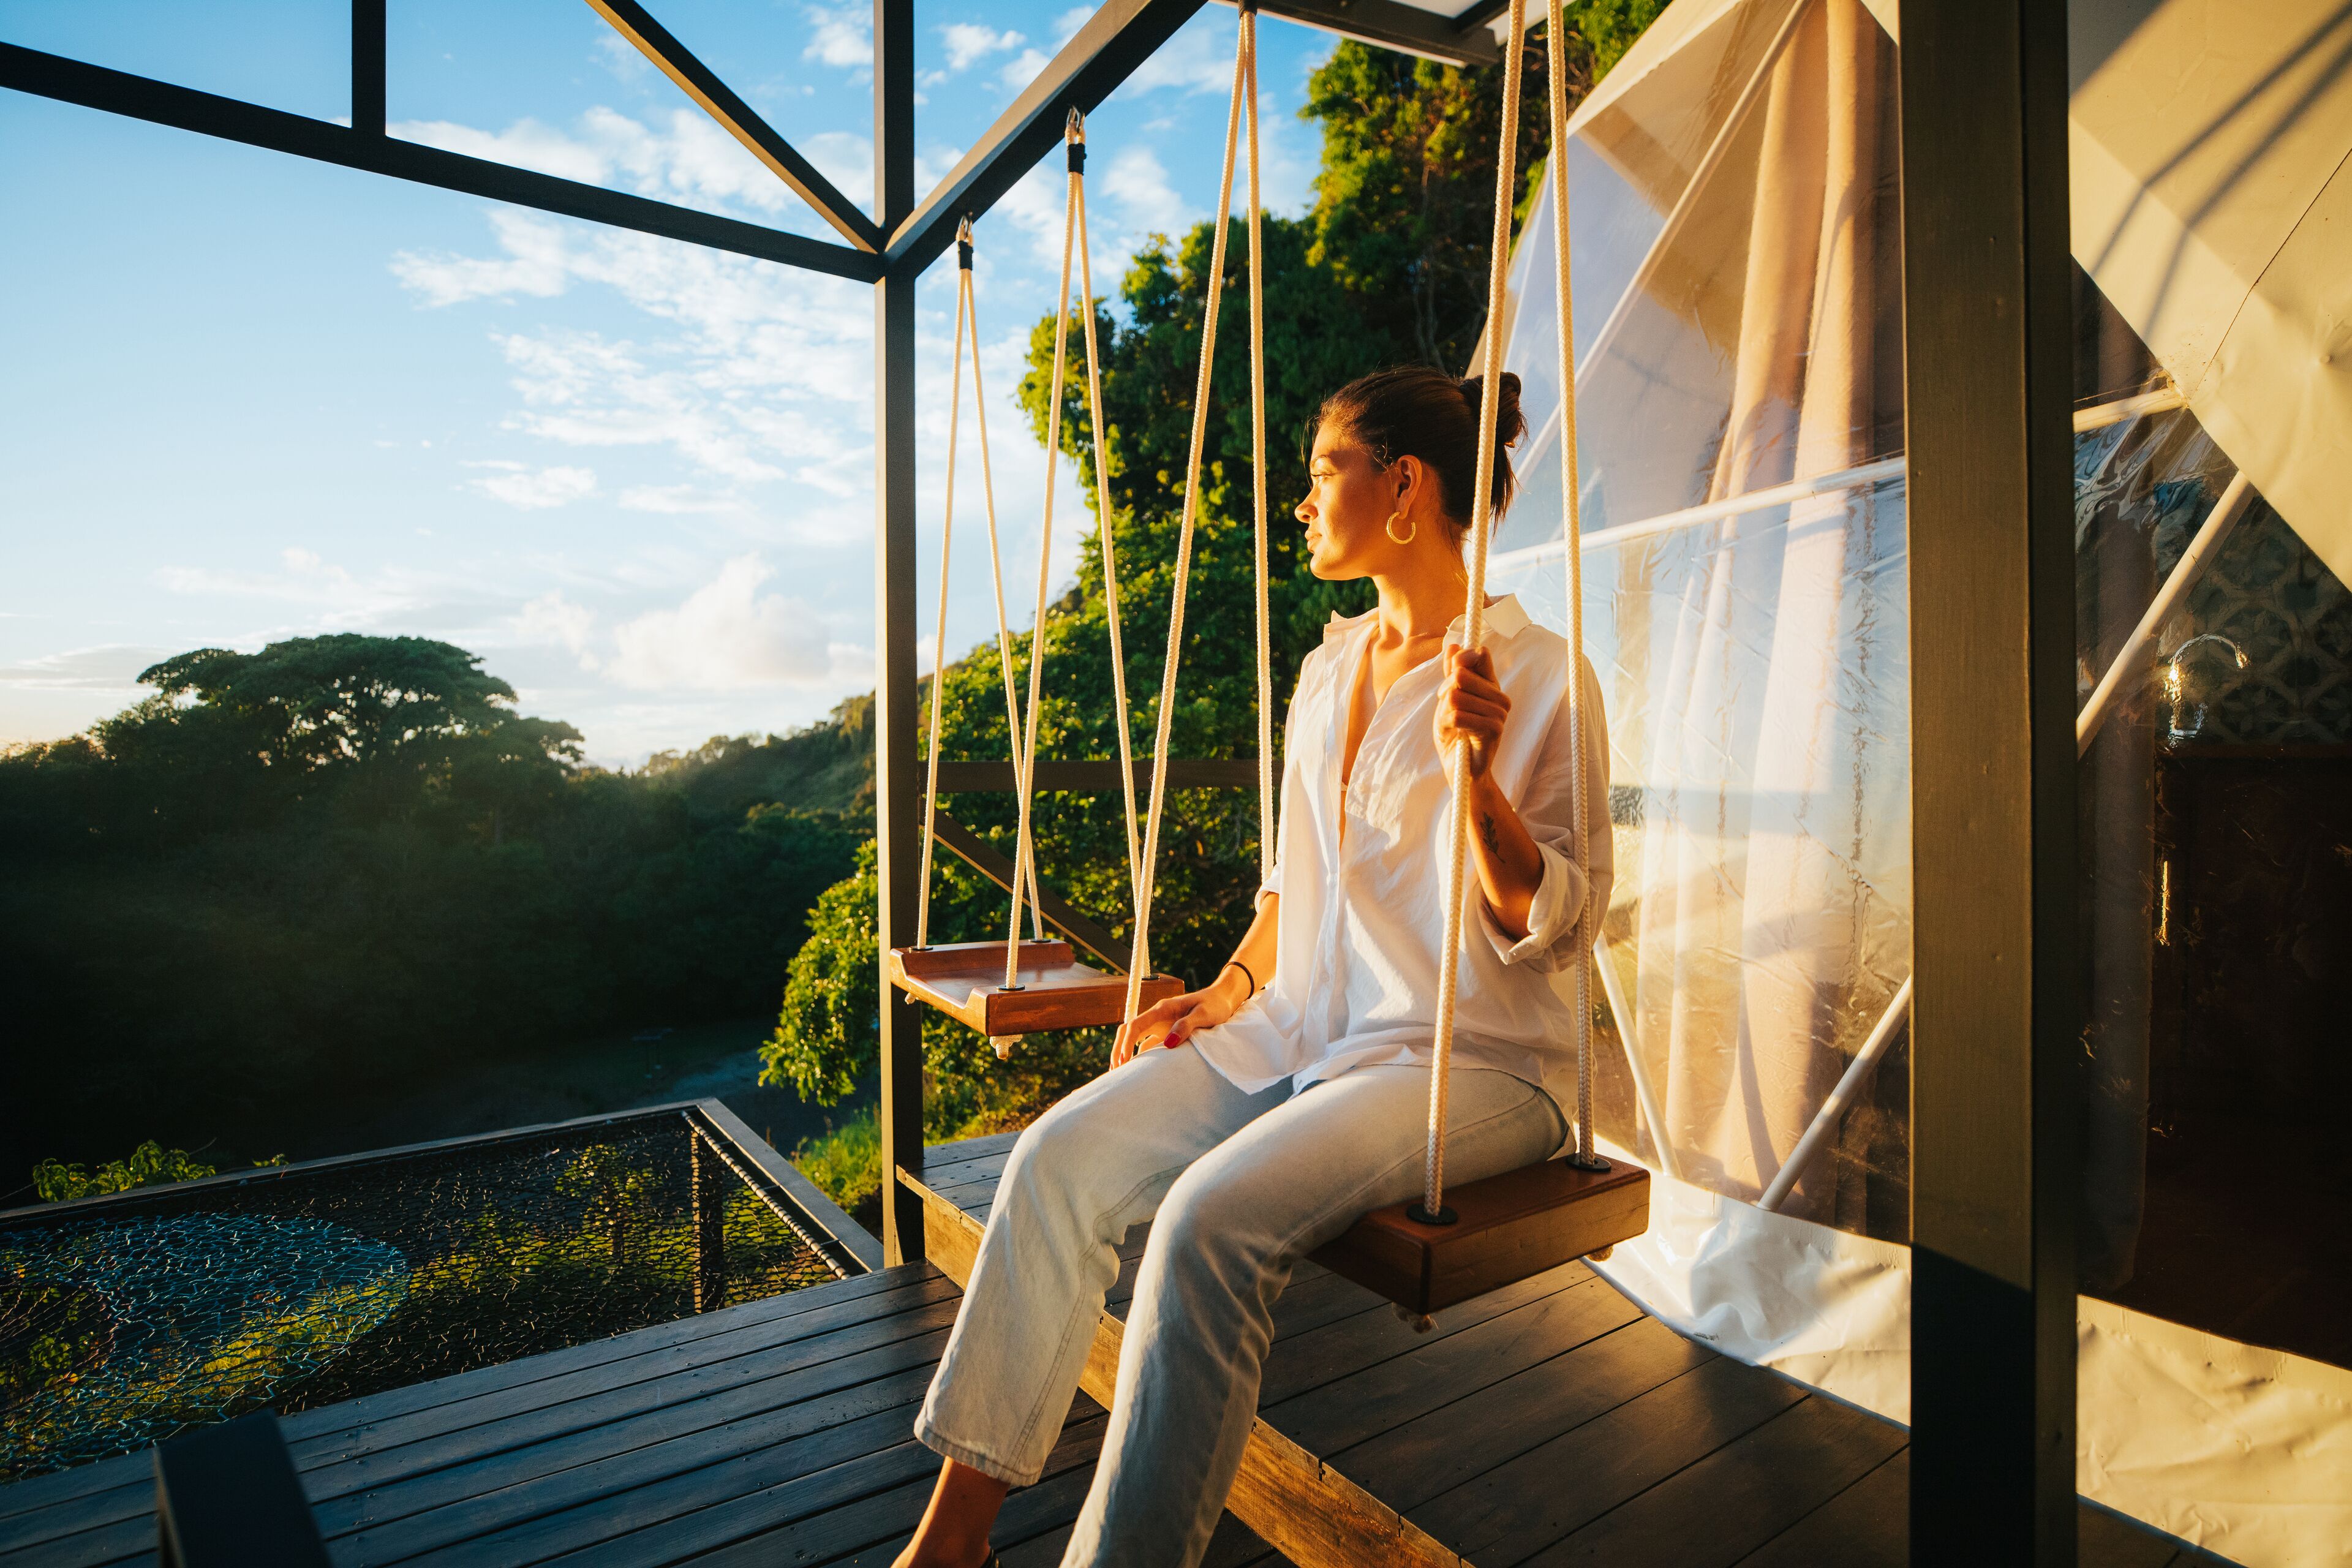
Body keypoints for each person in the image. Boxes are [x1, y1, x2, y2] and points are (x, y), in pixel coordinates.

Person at [891, 366, 1612, 1568]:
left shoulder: (1537, 675)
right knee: (1055, 1158)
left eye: (1322, 468)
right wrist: (1222, 989)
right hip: (1298, 1025)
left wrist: (1479, 776)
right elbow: (1293, 887)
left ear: (1402, 486)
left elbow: (1555, 918)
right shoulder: (1329, 671)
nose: (1302, 499)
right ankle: (950, 1541)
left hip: (1470, 1059)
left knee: (1199, 1227)